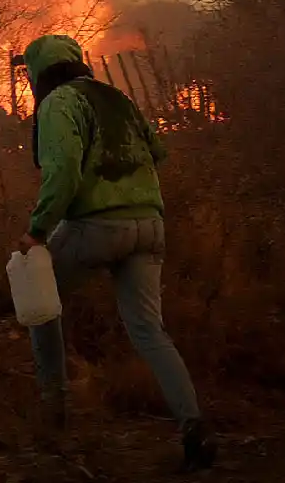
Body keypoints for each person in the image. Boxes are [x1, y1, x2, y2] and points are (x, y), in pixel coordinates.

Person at [14, 34, 216, 471]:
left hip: (98, 226)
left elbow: (62, 170)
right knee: (150, 332)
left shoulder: (58, 104)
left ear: (37, 72)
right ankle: (193, 426)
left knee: (40, 300)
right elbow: (157, 151)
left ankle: (55, 413)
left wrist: (37, 231)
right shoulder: (117, 97)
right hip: (150, 226)